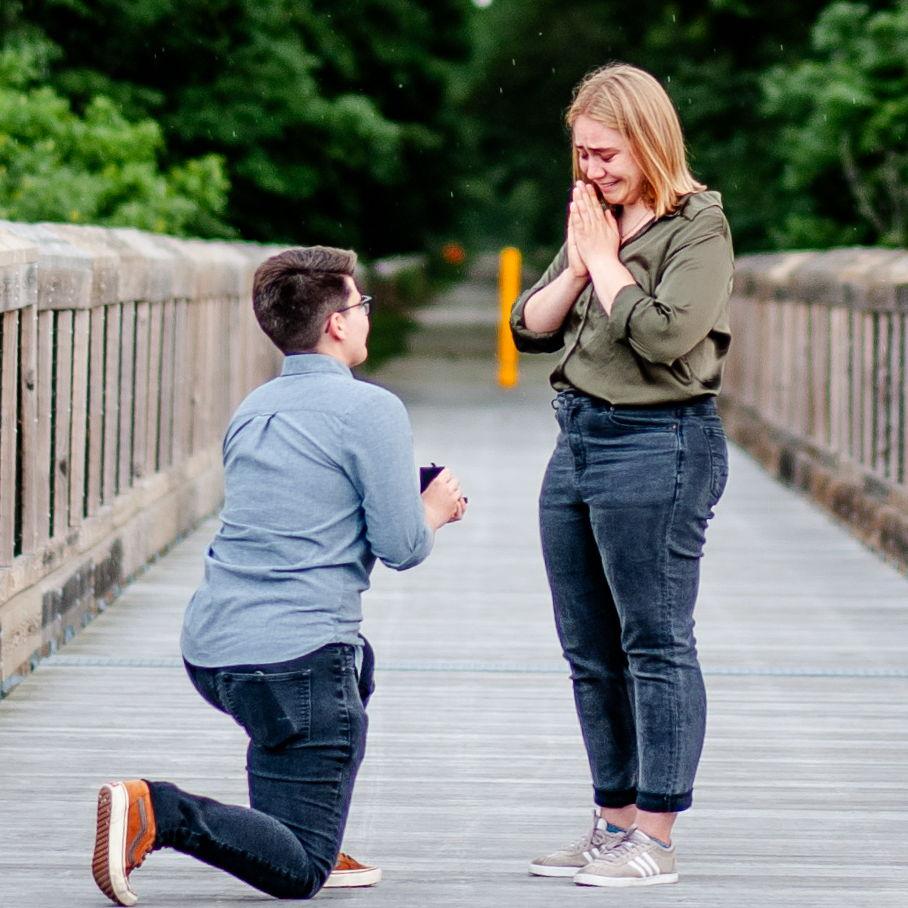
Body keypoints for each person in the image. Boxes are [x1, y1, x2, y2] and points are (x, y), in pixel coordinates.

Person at [91, 245, 467, 905]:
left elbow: (301, 503)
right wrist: (433, 512)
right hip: (293, 659)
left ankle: (301, 824)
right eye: (362, 305)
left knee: (356, 669)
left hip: (213, 650)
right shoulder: (373, 410)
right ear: (337, 325)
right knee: (300, 875)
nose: (367, 316)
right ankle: (162, 811)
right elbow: (403, 546)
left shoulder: (253, 408)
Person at [510, 63, 733, 888]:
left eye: (605, 155)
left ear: (647, 141)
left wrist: (606, 261)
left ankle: (657, 838)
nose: (592, 171)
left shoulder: (698, 226)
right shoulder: (596, 222)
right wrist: (579, 261)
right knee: (590, 649)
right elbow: (529, 325)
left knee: (655, 641)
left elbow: (667, 336)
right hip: (577, 441)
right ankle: (611, 823)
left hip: (659, 444)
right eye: (581, 157)